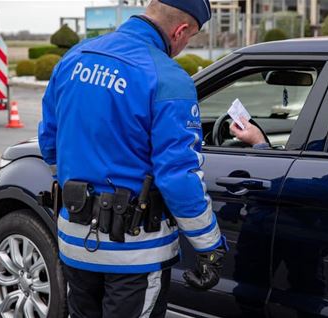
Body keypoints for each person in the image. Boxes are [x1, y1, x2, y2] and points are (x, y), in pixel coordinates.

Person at [38, 1, 227, 317]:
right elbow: (178, 176)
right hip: (135, 254)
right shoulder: (167, 77)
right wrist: (209, 245)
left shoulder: (75, 57)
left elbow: (50, 141)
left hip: (74, 240)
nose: (184, 46)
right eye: (189, 38)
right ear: (180, 30)